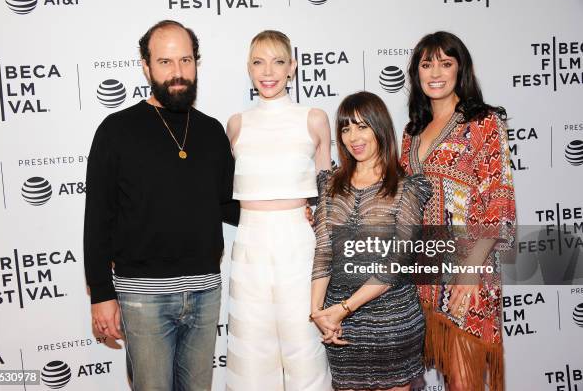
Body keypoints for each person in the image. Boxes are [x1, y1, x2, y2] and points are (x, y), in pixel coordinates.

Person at [84, 20, 238, 391]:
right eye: (166, 62)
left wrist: (291, 210)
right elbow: (97, 218)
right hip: (142, 297)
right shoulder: (116, 130)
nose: (178, 73)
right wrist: (102, 294)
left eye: (186, 60)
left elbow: (229, 206)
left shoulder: (212, 131)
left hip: (205, 292)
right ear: (146, 65)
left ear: (197, 62)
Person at [400, 31, 516, 391]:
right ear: (416, 73)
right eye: (426, 63)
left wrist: (468, 272)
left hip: (469, 268)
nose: (435, 72)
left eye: (445, 63)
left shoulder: (484, 123)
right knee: (450, 378)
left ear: (460, 69)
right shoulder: (411, 133)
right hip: (423, 274)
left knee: (466, 382)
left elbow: (499, 199)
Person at [225, 29, 332, 390]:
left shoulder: (313, 118)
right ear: (248, 68)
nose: (267, 71)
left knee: (304, 344)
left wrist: (318, 218)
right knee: (251, 348)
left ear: (293, 68)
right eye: (258, 62)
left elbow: (327, 190)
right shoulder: (236, 124)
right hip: (250, 241)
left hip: (297, 240)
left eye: (278, 61)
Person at [310, 91, 431, 391]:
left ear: (380, 129)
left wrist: (344, 308)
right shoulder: (330, 185)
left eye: (362, 126)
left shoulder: (407, 189)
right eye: (346, 128)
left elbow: (397, 264)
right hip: (340, 327)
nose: (353, 136)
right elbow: (324, 252)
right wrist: (317, 312)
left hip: (392, 323)